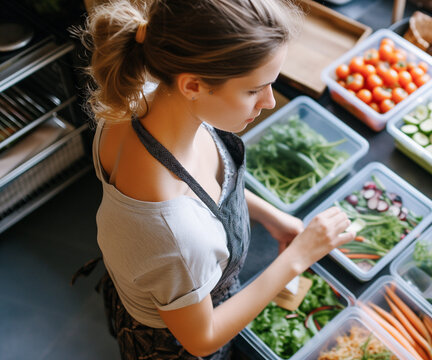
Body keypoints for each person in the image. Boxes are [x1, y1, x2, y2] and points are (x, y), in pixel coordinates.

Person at [76, 0, 355, 359]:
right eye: (254, 90)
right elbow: (201, 338)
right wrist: (296, 259)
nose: (269, 101)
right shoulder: (174, 233)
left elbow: (205, 188)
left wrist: (271, 215)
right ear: (193, 84)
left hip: (168, 281)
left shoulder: (144, 100)